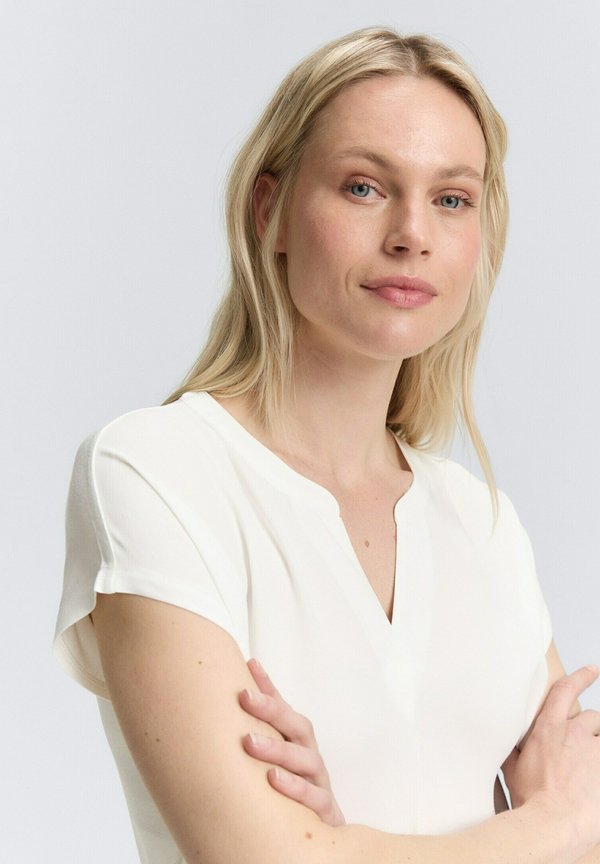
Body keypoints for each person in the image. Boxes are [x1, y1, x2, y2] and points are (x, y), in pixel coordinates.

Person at [53, 25, 600, 864]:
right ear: (269, 212)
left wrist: (345, 839)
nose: (412, 233)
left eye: (452, 199)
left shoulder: (482, 522)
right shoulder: (156, 471)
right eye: (363, 187)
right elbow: (261, 857)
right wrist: (553, 827)